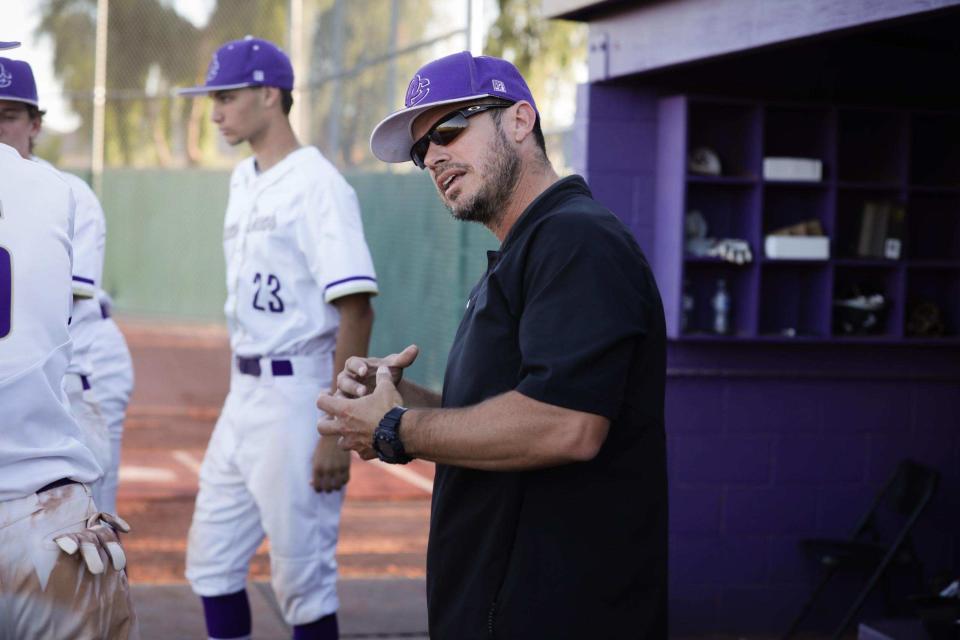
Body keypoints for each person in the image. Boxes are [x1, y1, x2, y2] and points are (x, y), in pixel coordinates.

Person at [318, 51, 668, 639]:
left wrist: (395, 428)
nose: (432, 157)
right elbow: (511, 406)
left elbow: (566, 424)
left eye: (450, 129)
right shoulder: (530, 247)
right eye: (420, 150)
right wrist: (403, 399)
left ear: (520, 120)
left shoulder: (577, 240)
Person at [177, 36, 378, 640]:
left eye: (227, 97)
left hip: (300, 399)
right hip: (244, 398)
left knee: (303, 584)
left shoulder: (318, 184)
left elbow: (357, 309)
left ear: (270, 95)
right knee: (210, 564)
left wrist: (338, 429)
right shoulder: (244, 180)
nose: (215, 112)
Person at [0, 38, 138, 640]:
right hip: (35, 474)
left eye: (7, 112)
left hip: (76, 373)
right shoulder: (56, 192)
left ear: (34, 122)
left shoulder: (66, 193)